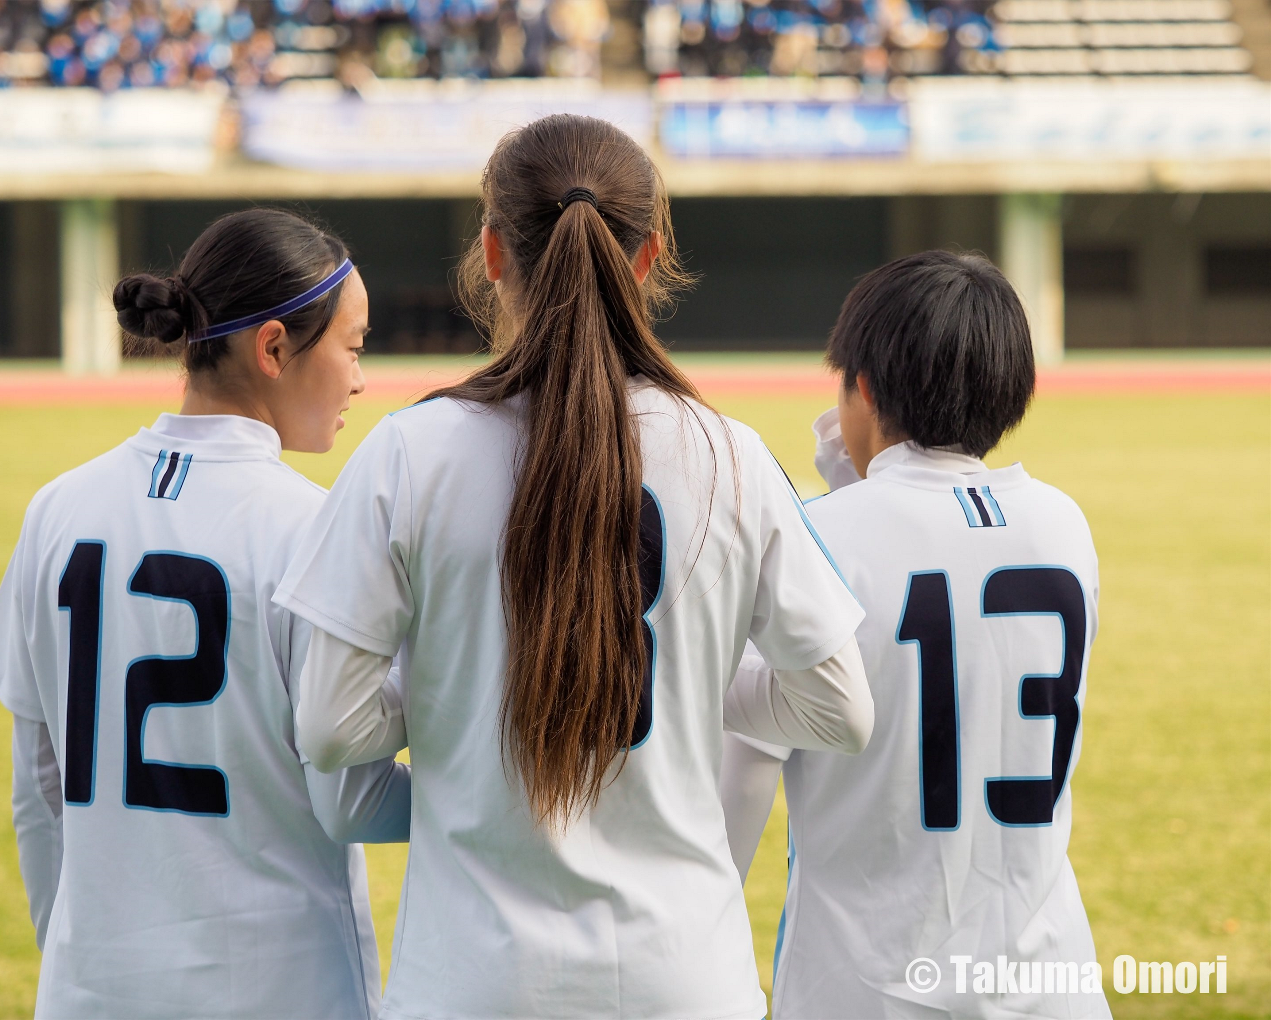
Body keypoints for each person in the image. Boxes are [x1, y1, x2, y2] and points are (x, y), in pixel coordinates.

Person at [272, 114, 874, 1019]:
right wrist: (696, 683)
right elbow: (839, 707)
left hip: (471, 984)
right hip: (686, 982)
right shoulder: (731, 456)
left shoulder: (410, 452)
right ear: (649, 256)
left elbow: (328, 727)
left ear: (490, 251)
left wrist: (460, 691)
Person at [0, 209, 410, 1020]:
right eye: (353, 345)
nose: (359, 379)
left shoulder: (58, 508)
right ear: (274, 348)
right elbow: (350, 798)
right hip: (282, 987)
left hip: (90, 989)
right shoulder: (316, 529)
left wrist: (69, 952)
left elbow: (38, 784)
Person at [721, 250, 1111, 1018]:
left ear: (862, 388)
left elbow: (741, 782)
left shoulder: (817, 537)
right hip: (1049, 981)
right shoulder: (1064, 527)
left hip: (869, 988)